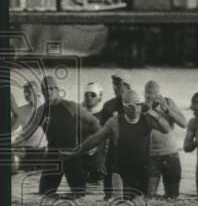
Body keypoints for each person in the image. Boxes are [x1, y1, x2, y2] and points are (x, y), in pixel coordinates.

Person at [66, 89, 171, 199]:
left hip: (142, 172)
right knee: (119, 205)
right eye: (130, 106)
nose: (135, 109)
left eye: (137, 105)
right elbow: (95, 139)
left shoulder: (147, 119)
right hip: (121, 172)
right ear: (124, 107)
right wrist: (76, 152)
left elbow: (166, 129)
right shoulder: (114, 122)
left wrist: (153, 113)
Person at [32, 76, 100, 197]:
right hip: (53, 156)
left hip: (72, 155)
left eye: (52, 89)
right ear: (42, 92)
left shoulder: (71, 106)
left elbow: (94, 122)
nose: (49, 92)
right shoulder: (40, 112)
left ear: (57, 90)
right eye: (46, 89)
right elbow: (27, 132)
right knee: (44, 195)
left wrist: (96, 144)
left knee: (79, 195)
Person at [145, 81, 187, 199]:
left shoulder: (168, 102)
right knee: (150, 195)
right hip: (152, 156)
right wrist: (146, 110)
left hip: (170, 154)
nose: (149, 96)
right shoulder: (143, 107)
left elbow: (184, 123)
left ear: (159, 94)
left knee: (172, 196)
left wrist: (167, 109)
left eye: (152, 93)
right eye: (146, 93)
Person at [95, 70, 132, 198]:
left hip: (131, 153)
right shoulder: (108, 106)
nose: (115, 87)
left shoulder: (136, 105)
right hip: (112, 153)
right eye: (113, 84)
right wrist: (100, 158)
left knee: (131, 194)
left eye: (118, 84)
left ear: (127, 86)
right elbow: (102, 135)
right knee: (109, 195)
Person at [11, 81, 48, 174]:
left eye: (29, 91)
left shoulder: (47, 109)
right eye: (25, 92)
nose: (26, 94)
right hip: (26, 151)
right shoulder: (21, 110)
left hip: (42, 152)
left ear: (37, 93)